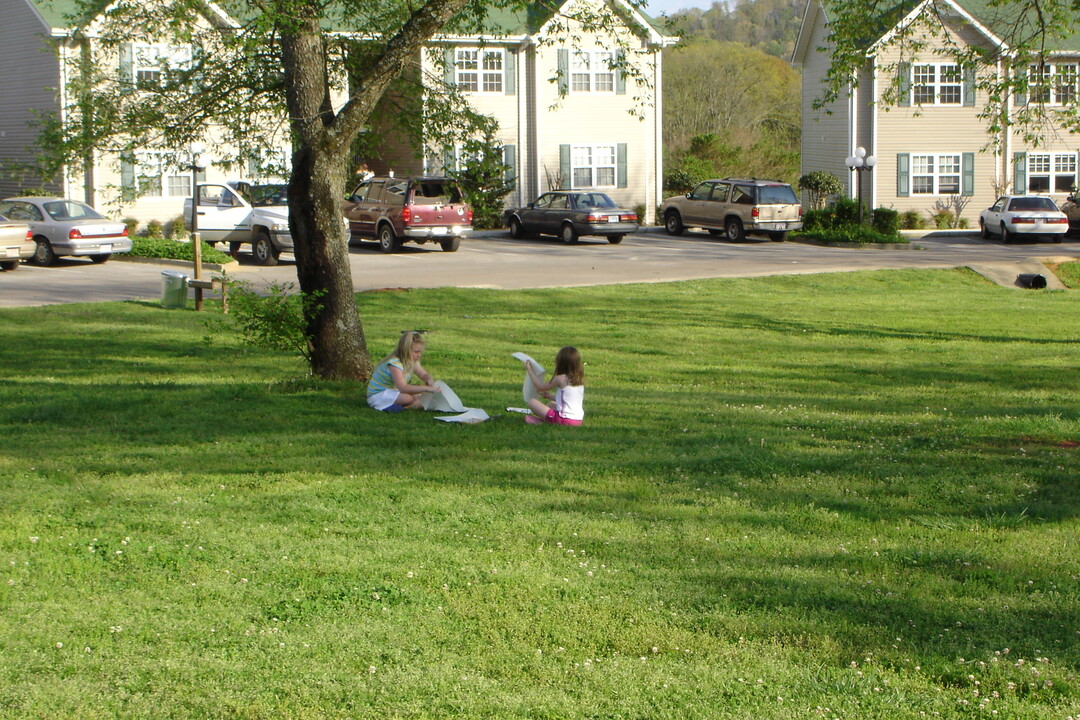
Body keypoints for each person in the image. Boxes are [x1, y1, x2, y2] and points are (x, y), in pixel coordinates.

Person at [366, 331, 440, 412]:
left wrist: (428, 379)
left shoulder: (412, 362)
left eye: (420, 352)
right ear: (406, 350)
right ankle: (407, 406)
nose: (419, 355)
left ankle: (408, 404)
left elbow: (424, 374)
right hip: (379, 395)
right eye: (416, 352)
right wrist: (426, 389)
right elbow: (403, 388)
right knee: (408, 398)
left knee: (420, 395)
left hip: (394, 392)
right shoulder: (395, 364)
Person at [522, 346, 585, 426]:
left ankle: (542, 422)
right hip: (577, 420)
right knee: (551, 404)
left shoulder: (561, 378)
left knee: (532, 402)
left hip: (564, 419)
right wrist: (550, 396)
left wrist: (529, 369)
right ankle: (546, 420)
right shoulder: (579, 380)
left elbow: (540, 386)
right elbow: (569, 400)